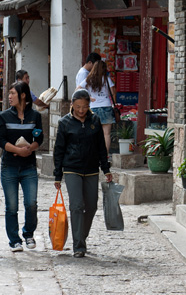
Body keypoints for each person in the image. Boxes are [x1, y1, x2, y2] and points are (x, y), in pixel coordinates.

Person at [53, 89, 112, 258]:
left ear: (89, 106)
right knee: (77, 205)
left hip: (92, 169)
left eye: (84, 107)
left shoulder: (95, 120)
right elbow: (59, 150)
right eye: (78, 106)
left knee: (92, 206)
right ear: (72, 105)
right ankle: (79, 245)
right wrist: (58, 175)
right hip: (72, 169)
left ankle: (81, 236)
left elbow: (101, 147)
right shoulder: (65, 122)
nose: (81, 110)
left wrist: (106, 168)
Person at [0, 81, 43, 252]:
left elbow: (39, 138)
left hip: (29, 166)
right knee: (12, 206)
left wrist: (30, 148)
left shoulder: (35, 116)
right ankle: (14, 239)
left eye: (13, 93)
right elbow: (1, 140)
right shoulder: (4, 116)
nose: (9, 97)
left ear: (23, 95)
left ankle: (28, 234)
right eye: (9, 93)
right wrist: (17, 150)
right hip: (9, 166)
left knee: (31, 203)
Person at [78, 60, 117, 154]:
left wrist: (88, 97)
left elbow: (78, 89)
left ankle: (93, 154)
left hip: (93, 108)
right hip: (106, 106)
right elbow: (113, 93)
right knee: (106, 134)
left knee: (93, 133)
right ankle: (105, 155)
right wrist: (113, 104)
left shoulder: (89, 79)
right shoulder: (107, 79)